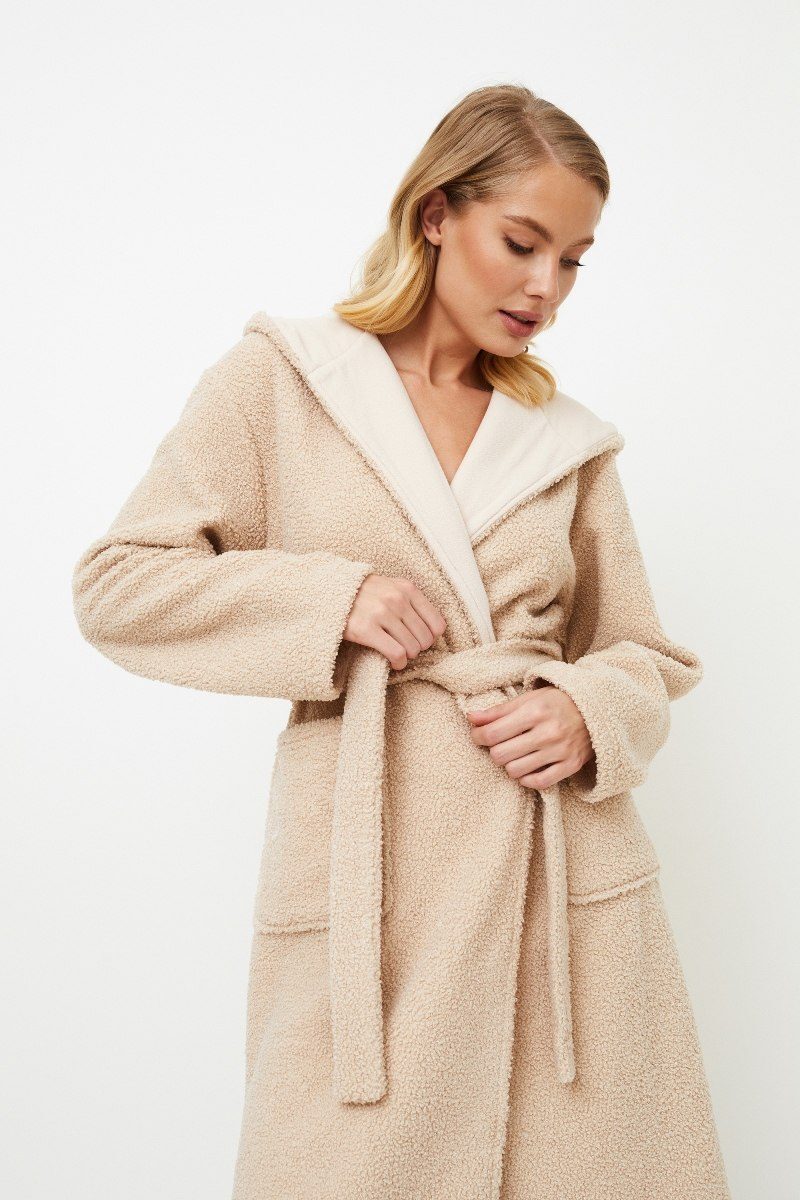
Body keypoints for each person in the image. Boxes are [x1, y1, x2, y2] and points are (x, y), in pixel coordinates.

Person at [71, 83, 731, 1199]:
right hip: (373, 899)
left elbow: (640, 651)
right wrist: (329, 601)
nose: (546, 287)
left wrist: (588, 710)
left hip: (557, 896)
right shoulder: (285, 383)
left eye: (573, 261)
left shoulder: (564, 445)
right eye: (521, 243)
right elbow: (118, 585)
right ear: (435, 214)